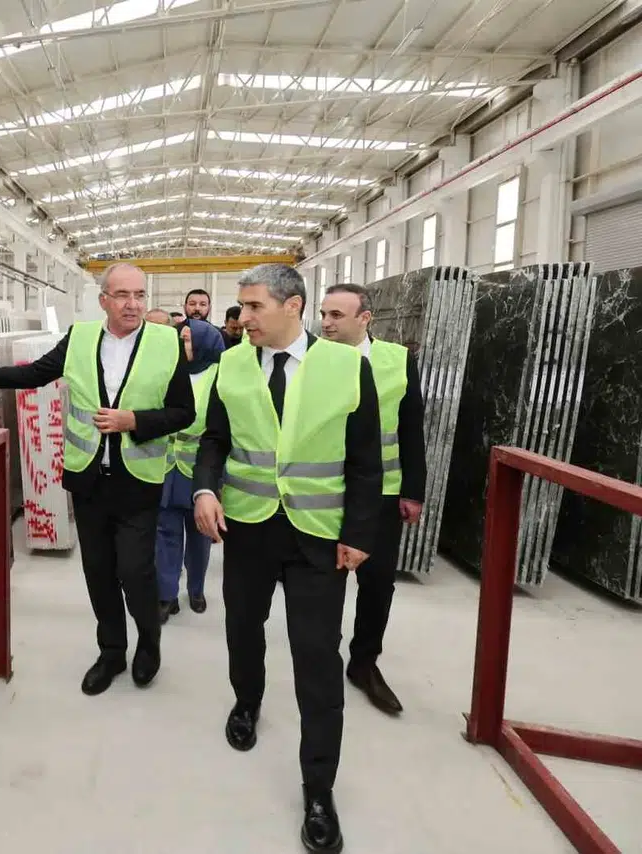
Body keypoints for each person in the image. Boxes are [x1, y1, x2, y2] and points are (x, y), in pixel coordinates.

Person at [192, 263, 383, 853]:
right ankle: (247, 701)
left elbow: (366, 459)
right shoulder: (231, 364)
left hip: (318, 537)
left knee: (317, 656)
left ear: (292, 305)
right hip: (248, 528)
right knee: (243, 629)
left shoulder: (347, 366)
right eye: (243, 307)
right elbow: (215, 439)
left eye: (254, 306)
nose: (242, 317)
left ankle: (319, 787)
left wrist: (359, 532)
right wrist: (204, 490)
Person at [0, 263, 195, 695]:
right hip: (89, 480)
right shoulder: (79, 338)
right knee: (99, 573)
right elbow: (33, 374)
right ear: (104, 300)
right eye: (122, 295)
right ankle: (111, 652)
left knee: (136, 572)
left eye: (139, 295)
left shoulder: (166, 341)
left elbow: (184, 412)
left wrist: (135, 420)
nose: (133, 304)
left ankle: (148, 646)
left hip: (139, 482)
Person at [318, 283, 427, 715]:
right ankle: (322, 660)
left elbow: (411, 428)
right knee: (323, 582)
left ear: (365, 318)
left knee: (378, 583)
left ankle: (364, 663)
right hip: (325, 491)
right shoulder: (311, 360)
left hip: (382, 494)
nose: (326, 323)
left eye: (336, 315)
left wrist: (413, 490)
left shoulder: (397, 360)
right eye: (323, 314)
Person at [156, 318, 224, 623]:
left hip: (199, 472)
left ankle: (196, 589)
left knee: (200, 537)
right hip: (165, 468)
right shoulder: (166, 369)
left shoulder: (219, 376)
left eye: (186, 340)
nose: (180, 345)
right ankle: (167, 593)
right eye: (179, 338)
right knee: (165, 534)